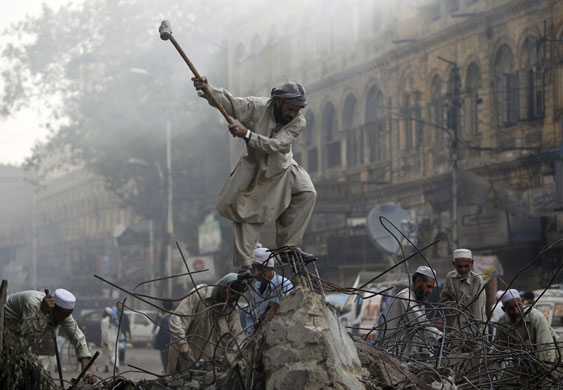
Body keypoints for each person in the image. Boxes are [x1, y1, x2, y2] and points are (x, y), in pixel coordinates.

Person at [192, 76, 316, 267]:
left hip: (284, 166)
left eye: (296, 110)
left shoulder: (299, 122)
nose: (292, 114)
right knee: (247, 212)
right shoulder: (257, 107)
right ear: (279, 102)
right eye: (290, 109)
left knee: (307, 192)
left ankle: (288, 249)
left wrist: (246, 134)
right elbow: (230, 104)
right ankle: (245, 264)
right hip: (255, 167)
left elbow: (276, 145)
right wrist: (208, 89)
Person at [3, 289, 96, 384]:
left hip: (14, 337)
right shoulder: (32, 304)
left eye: (64, 317)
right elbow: (27, 336)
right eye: (59, 317)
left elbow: (79, 338)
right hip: (4, 326)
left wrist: (87, 370)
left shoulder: (63, 314)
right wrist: (42, 312)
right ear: (52, 308)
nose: (61, 321)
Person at [166, 273, 246, 374]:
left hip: (214, 370)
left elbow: (238, 337)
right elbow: (176, 319)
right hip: (189, 365)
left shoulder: (232, 311)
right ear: (222, 285)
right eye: (225, 293)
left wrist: (236, 356)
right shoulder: (200, 294)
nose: (227, 297)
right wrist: (183, 342)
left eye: (232, 295)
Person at [495, 289, 561, 386]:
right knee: (503, 385)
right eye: (511, 308)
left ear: (522, 302)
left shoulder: (536, 318)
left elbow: (546, 349)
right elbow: (497, 351)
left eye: (518, 305)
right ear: (504, 309)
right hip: (523, 365)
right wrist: (493, 372)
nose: (516, 311)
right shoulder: (503, 323)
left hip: (551, 361)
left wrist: (546, 373)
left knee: (545, 385)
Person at [383, 266, 443, 359]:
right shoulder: (405, 297)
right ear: (418, 281)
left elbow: (423, 331)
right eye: (428, 286)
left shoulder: (419, 301)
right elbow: (421, 324)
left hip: (409, 355)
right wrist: (441, 337)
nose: (430, 291)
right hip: (396, 354)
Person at [245, 244, 294, 337]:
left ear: (269, 267)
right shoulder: (257, 287)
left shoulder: (284, 285)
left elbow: (290, 316)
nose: (255, 273)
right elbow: (251, 316)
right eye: (253, 269)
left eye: (259, 268)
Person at [440, 249, 487, 336]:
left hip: (476, 328)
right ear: (454, 264)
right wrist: (453, 307)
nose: (463, 269)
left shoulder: (478, 281)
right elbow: (444, 298)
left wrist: (478, 334)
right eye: (459, 266)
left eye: (466, 266)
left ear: (472, 263)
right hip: (456, 327)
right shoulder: (450, 278)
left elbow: (478, 312)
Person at [153, 300, 174, 372]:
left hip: (166, 348)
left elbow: (166, 335)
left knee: (167, 367)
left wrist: (159, 344)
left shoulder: (167, 319)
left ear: (164, 308)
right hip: (170, 347)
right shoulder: (173, 316)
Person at [100, 307, 119, 373]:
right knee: (114, 354)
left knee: (106, 354)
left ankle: (107, 367)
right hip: (115, 340)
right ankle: (116, 366)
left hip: (107, 340)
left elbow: (104, 332)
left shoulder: (104, 321)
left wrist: (104, 341)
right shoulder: (115, 321)